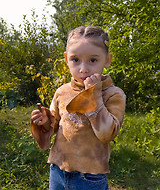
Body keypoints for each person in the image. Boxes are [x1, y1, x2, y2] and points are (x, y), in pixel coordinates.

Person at [31, 26, 126, 190]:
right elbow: (54, 126)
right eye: (75, 60)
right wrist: (46, 121)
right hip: (58, 170)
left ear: (107, 60)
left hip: (89, 177)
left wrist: (93, 96)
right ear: (67, 59)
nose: (83, 68)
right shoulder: (62, 91)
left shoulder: (112, 94)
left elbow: (106, 134)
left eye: (93, 60)